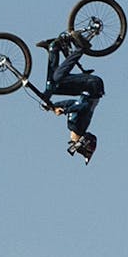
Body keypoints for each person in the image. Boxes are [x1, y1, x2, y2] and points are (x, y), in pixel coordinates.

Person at [37, 33, 104, 163]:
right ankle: (81, 48)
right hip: (93, 86)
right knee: (57, 78)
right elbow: (81, 106)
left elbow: (72, 102)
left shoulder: (72, 125)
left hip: (89, 88)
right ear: (80, 142)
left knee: (52, 87)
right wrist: (64, 110)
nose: (70, 140)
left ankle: (53, 49)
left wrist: (54, 106)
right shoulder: (80, 126)